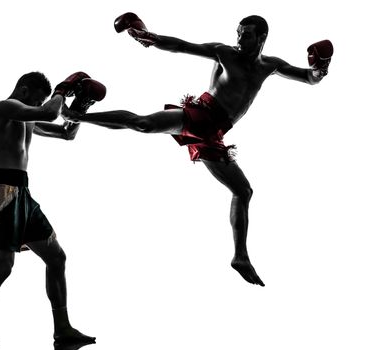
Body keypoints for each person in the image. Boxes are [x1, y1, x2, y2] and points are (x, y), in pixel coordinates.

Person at [64, 13, 333, 287]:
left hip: (214, 134)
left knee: (243, 191)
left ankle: (240, 257)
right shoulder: (225, 53)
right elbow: (182, 46)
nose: (239, 39)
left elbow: (310, 79)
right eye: (238, 33)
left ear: (262, 38)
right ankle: (77, 117)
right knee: (144, 124)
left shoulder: (270, 65)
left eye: (247, 34)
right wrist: (152, 38)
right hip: (200, 114)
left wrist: (321, 66)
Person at [0, 71, 106, 350]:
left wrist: (78, 110)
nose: (40, 105)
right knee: (3, 267)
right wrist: (61, 92)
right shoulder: (3, 108)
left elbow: (67, 134)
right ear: (23, 89)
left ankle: (63, 329)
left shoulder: (27, 117)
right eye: (38, 99)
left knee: (57, 258)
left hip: (23, 194)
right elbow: (49, 114)